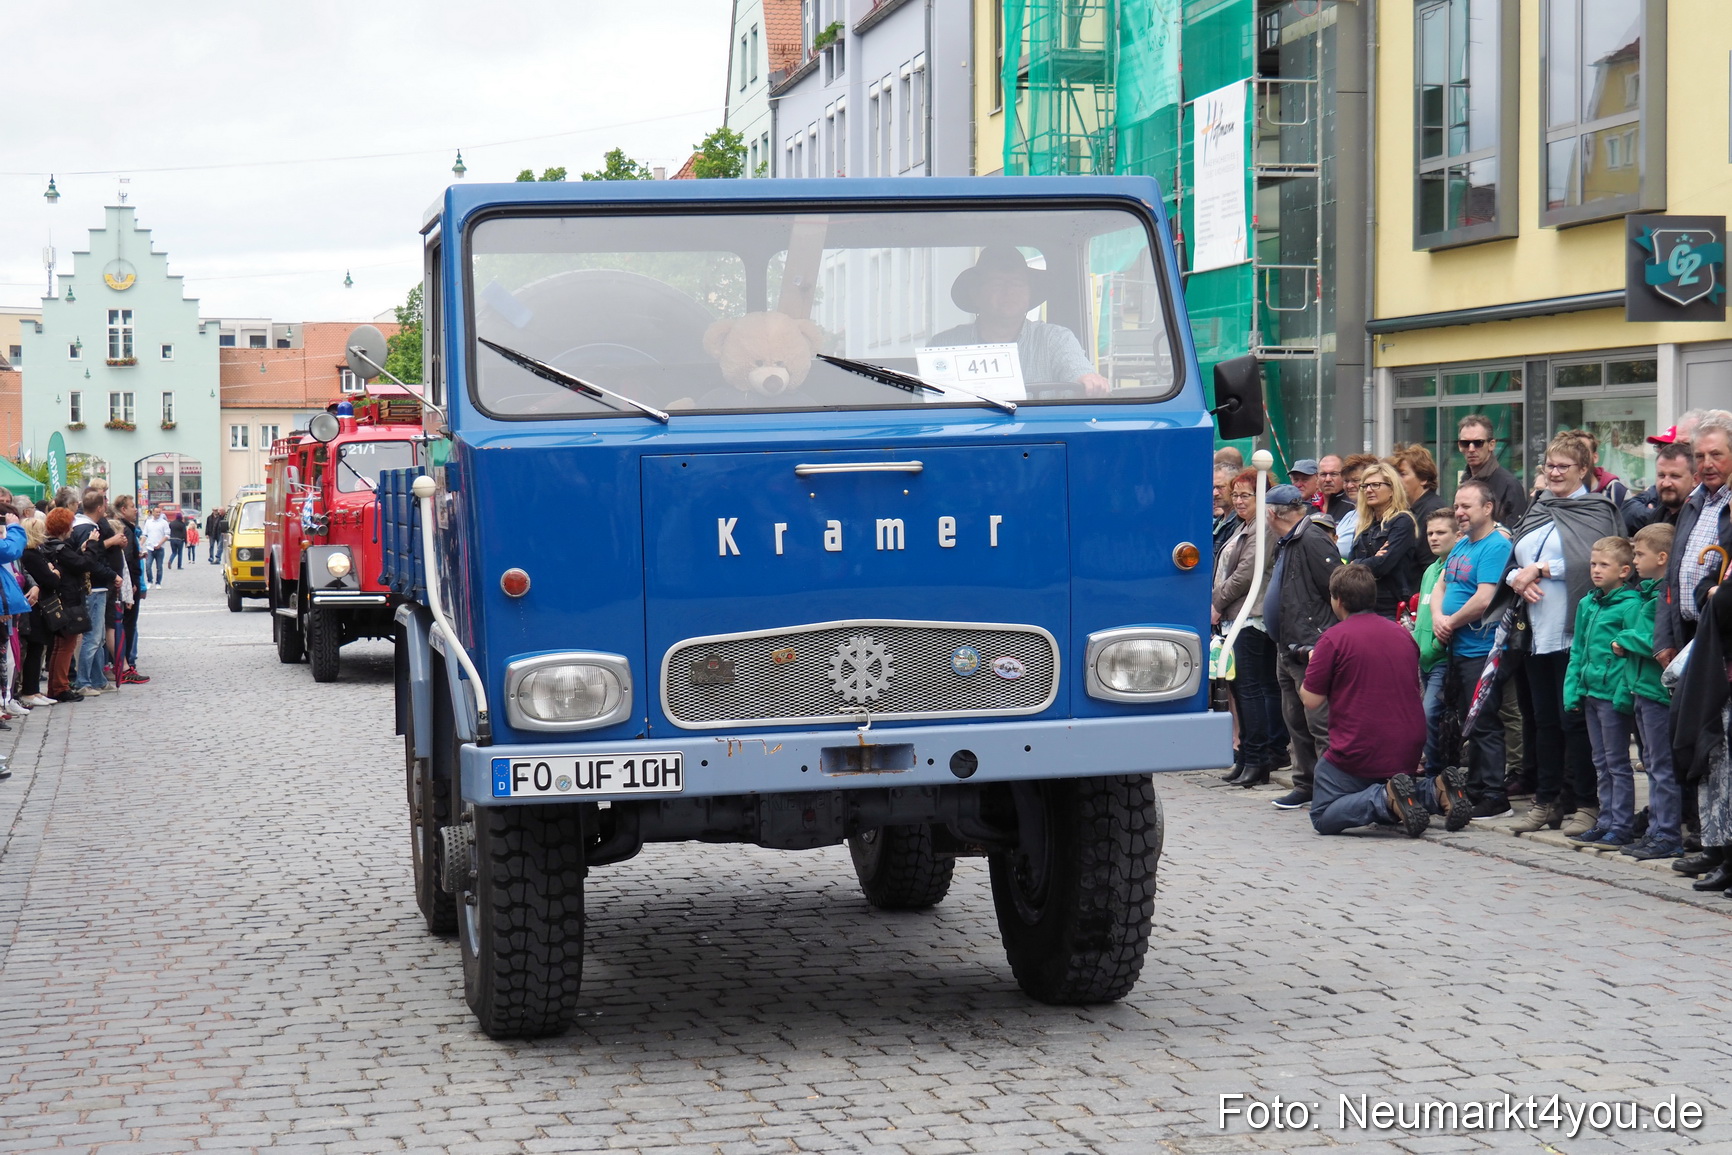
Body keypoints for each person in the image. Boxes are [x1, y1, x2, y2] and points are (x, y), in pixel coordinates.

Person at [1503, 435, 1626, 835]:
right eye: (1549, 466)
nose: (1554, 473)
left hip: (1575, 633)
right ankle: (1546, 800)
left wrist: (1540, 569)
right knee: (1542, 720)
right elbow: (1514, 557)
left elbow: (1593, 560)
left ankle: (1584, 804)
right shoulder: (1539, 505)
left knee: (1573, 719)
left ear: (1583, 470)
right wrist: (1517, 578)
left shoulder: (1595, 509)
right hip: (1535, 632)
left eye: (1563, 467)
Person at [1299, 564, 1474, 836]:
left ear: (1339, 600)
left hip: (1359, 746)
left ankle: (1384, 799)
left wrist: (1313, 666)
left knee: (1323, 813)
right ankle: (1434, 791)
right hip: (1408, 745)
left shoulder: (1332, 639)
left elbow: (1311, 701)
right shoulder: (1402, 634)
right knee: (1386, 779)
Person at [1659, 412, 1732, 882]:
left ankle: (1726, 850)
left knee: (1719, 744)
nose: (1707, 464)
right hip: (1689, 635)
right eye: (1701, 456)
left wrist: (1714, 592)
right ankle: (1711, 842)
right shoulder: (1694, 502)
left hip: (1721, 638)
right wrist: (1665, 637)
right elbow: (1674, 574)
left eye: (1716, 455)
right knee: (1701, 747)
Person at [1432, 479, 1514, 818]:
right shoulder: (1462, 544)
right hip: (1459, 649)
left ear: (1488, 508)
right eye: (1457, 506)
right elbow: (1442, 584)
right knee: (1469, 721)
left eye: (1466, 506)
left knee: (1484, 722)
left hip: (1483, 649)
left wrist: (1450, 622)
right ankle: (1477, 787)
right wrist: (1438, 615)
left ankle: (1494, 796)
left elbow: (1484, 598)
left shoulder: (1496, 546)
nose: (1459, 513)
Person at [927, 245, 1109, 394]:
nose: (1009, 291)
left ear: (1031, 293)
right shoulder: (942, 346)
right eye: (998, 283)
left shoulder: (1055, 339)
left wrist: (1088, 380)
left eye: (1018, 284)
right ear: (976, 294)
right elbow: (927, 411)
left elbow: (1078, 371)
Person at [1262, 482, 1343, 810]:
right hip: (1288, 645)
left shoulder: (1310, 538)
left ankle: (1330, 788)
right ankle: (1306, 784)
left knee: (1319, 721)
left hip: (1310, 646)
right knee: (1296, 719)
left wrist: (1325, 640)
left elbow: (1337, 588)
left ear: (1271, 513)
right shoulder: (1288, 540)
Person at [1561, 536, 1642, 846]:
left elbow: (1631, 654)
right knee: (1599, 760)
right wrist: (1573, 691)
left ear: (1624, 571)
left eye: (1604, 565)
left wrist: (1624, 694)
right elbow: (1578, 650)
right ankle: (1605, 818)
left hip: (1613, 696)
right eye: (1593, 564)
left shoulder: (1631, 605)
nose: (1595, 570)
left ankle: (1621, 824)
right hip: (1591, 693)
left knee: (1617, 762)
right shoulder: (1586, 603)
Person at [1613, 523, 1684, 859]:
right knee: (1650, 762)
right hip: (1640, 690)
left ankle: (1668, 834)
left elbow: (1652, 639)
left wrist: (1622, 639)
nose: (1635, 560)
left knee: (1660, 765)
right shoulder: (1645, 593)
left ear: (1662, 557)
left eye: (1640, 554)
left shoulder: (1662, 597)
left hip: (1656, 693)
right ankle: (1656, 829)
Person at [1214, 468, 1283, 787]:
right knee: (1244, 689)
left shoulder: (1263, 528)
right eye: (1236, 495)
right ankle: (1248, 756)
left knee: (1250, 688)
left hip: (1250, 618)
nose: (1239, 501)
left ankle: (1257, 758)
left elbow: (1245, 574)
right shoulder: (1245, 526)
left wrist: (1216, 603)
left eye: (1246, 495)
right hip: (1236, 617)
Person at [1414, 508, 1459, 777]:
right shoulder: (1431, 570)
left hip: (1440, 659)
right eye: (1430, 533)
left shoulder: (1455, 568)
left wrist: (1434, 648)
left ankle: (1435, 774)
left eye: (1441, 532)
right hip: (1423, 660)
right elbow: (1423, 613)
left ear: (1458, 535)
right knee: (1424, 716)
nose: (1433, 538)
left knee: (1430, 714)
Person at [1346, 461, 1418, 619]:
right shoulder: (1363, 525)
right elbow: (1348, 569)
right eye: (1365, 486)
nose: (1369, 490)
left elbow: (1384, 565)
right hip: (1361, 603)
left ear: (1392, 489)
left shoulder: (1402, 521)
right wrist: (1371, 561)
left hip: (1390, 607)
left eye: (1376, 485)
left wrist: (1357, 564)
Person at [34, 507, 89, 703]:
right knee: (66, 645)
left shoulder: (49, 546)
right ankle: (60, 687)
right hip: (67, 599)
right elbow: (83, 564)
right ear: (64, 527)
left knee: (59, 646)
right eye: (70, 525)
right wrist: (91, 547)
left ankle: (56, 686)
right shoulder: (61, 548)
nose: (73, 530)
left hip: (58, 599)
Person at [69, 491, 119, 697]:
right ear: (100, 508)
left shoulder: (83, 526)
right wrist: (112, 574)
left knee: (97, 638)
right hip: (93, 587)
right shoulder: (87, 529)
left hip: (96, 587)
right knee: (92, 637)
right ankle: (83, 681)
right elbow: (94, 561)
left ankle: (97, 679)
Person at [1456, 414, 1528, 526]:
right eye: (1465, 443)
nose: (1471, 449)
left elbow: (1517, 532)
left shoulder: (1510, 485)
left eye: (1478, 443)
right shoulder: (1464, 481)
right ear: (1459, 446)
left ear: (1491, 445)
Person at [15, 517, 54, 708]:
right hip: (33, 608)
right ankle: (29, 691)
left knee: (37, 648)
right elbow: (49, 578)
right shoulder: (30, 555)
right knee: (34, 647)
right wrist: (53, 572)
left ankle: (34, 689)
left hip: (37, 606)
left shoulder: (33, 553)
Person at [113, 495, 148, 684]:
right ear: (123, 510)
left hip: (132, 580)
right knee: (127, 624)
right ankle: (125, 664)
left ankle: (125, 662)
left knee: (127, 624)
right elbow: (124, 558)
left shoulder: (127, 527)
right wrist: (131, 582)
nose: (136, 509)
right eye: (132, 506)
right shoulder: (124, 529)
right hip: (130, 582)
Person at [1624, 442, 1696, 531]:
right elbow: (1627, 511)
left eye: (1675, 476)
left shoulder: (1701, 520)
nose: (1666, 483)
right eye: (1661, 475)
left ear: (1695, 480)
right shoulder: (1659, 513)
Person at [1332, 453, 1380, 558]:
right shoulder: (1349, 515)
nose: (1349, 485)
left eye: (1356, 480)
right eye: (1346, 481)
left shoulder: (1376, 516)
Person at [1212, 464, 1241, 563]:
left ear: (1234, 486)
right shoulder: (1219, 521)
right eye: (1213, 487)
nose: (1214, 493)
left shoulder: (1239, 523)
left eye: (1220, 487)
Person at [1315, 455, 1353, 522]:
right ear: (1317, 477)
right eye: (1323, 474)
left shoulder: (1352, 506)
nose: (1328, 479)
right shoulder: (1311, 506)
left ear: (1344, 476)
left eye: (1333, 474)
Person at [142, 505, 170, 585]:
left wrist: (160, 544)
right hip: (150, 548)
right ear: (153, 512)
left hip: (160, 548)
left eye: (159, 512)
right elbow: (145, 534)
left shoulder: (164, 523)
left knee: (159, 567)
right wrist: (141, 544)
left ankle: (158, 582)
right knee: (148, 565)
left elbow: (167, 535)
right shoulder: (148, 522)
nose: (158, 514)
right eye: (156, 512)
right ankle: (150, 580)